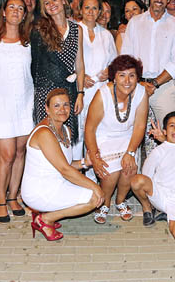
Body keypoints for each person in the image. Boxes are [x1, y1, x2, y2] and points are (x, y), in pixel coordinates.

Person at [21, 89, 104, 241]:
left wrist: (85, 162)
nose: (62, 110)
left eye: (66, 105)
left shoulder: (66, 129)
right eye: (57, 106)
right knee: (94, 198)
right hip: (39, 190)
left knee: (92, 193)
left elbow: (66, 164)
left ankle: (47, 213)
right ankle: (46, 219)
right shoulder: (44, 133)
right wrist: (95, 186)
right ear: (47, 109)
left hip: (56, 183)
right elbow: (65, 170)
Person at [0, 0, 34, 223]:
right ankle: (0, 200)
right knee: (7, 155)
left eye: (20, 8)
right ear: (3, 12)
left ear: (24, 15)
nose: (15, 11)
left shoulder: (28, 42)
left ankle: (13, 197)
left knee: (21, 152)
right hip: (1, 106)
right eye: (11, 7)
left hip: (25, 103)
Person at [85, 55, 149, 224]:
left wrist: (130, 152)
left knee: (129, 167)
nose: (127, 81)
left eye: (132, 75)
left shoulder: (141, 93)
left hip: (128, 137)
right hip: (103, 137)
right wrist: (95, 156)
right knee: (111, 173)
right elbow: (90, 129)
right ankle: (104, 202)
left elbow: (140, 127)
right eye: (122, 75)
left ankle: (120, 200)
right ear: (114, 77)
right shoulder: (103, 94)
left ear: (137, 77)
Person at [121, 0, 175, 124]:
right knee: (132, 132)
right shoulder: (135, 23)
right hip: (135, 85)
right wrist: (139, 83)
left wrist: (155, 83)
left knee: (168, 132)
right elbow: (126, 57)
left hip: (163, 88)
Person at [31, 0, 85, 141]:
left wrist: (80, 94)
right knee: (48, 138)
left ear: (62, 0)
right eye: (47, 3)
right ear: (44, 8)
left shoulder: (76, 29)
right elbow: (33, 63)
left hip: (69, 91)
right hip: (46, 92)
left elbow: (79, 65)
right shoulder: (39, 30)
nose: (52, 4)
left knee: (67, 137)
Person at [131, 111, 175, 241]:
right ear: (164, 131)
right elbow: (146, 175)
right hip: (160, 196)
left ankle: (169, 216)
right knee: (137, 181)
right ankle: (147, 207)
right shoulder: (158, 151)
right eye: (172, 126)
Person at [78, 0, 118, 159]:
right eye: (87, 7)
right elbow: (64, 62)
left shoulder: (106, 35)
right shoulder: (73, 30)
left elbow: (115, 63)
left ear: (100, 11)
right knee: (78, 136)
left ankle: (94, 177)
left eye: (95, 8)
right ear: (80, 10)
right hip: (79, 90)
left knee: (97, 133)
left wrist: (109, 71)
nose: (90, 11)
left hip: (100, 92)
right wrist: (79, 74)